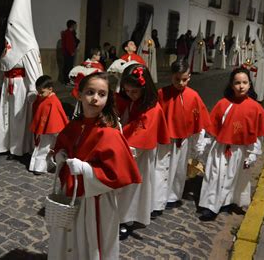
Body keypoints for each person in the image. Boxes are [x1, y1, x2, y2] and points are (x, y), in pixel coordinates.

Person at [48, 72, 142, 260]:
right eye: (90, 92)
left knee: (91, 242)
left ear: (108, 99)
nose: (95, 99)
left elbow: (118, 174)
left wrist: (85, 169)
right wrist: (59, 156)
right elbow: (60, 147)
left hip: (95, 201)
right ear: (80, 94)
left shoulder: (110, 133)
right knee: (67, 239)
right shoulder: (73, 125)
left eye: (102, 94)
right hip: (71, 194)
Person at [198, 68, 264, 221]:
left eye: (244, 82)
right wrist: (204, 144)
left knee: (234, 177)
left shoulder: (255, 108)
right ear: (232, 85)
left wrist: (253, 153)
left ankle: (227, 202)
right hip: (221, 148)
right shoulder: (223, 104)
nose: (241, 86)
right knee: (216, 175)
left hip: (241, 149)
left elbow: (258, 135)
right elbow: (213, 127)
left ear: (250, 84)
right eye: (237, 83)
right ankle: (211, 206)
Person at [0, 0, 44, 160]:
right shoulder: (9, 43)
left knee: (18, 118)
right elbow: (1, 65)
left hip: (22, 88)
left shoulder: (29, 46)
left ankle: (18, 148)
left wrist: (34, 93)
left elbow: (35, 72)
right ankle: (4, 144)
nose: (10, 28)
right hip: (8, 86)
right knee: (5, 116)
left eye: (14, 25)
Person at [115, 64, 170, 238]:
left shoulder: (153, 109)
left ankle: (125, 219)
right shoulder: (133, 101)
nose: (130, 95)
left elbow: (142, 135)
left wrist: (125, 149)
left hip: (138, 155)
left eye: (134, 92)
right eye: (127, 91)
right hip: (125, 150)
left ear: (144, 89)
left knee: (131, 189)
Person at [153, 60, 211, 217]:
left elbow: (200, 123)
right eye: (176, 79)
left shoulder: (193, 96)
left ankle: (173, 196)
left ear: (189, 77)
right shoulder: (161, 94)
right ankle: (156, 200)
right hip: (164, 140)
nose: (180, 83)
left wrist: (198, 145)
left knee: (179, 169)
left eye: (184, 79)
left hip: (183, 140)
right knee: (161, 168)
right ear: (171, 77)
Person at [29, 75, 69, 174]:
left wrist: (56, 130)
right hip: (44, 130)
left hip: (52, 129)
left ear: (50, 89)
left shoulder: (53, 101)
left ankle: (46, 166)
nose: (40, 94)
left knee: (48, 148)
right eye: (38, 92)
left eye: (42, 92)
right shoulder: (43, 98)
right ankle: (39, 167)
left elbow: (57, 116)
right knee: (43, 147)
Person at [61, 20, 79, 85]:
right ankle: (66, 81)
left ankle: (69, 80)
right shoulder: (67, 33)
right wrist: (71, 52)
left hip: (70, 53)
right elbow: (68, 44)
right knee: (67, 67)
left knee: (70, 67)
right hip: (68, 53)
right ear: (72, 25)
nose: (76, 27)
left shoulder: (72, 33)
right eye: (75, 25)